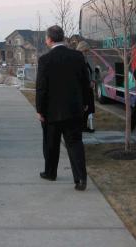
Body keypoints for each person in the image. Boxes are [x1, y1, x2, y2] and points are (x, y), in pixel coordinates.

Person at [36, 25, 89, 191]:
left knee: (51, 143)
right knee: (75, 143)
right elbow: (85, 83)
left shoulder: (45, 60)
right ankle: (80, 179)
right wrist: (86, 102)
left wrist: (40, 110)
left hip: (51, 111)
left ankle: (50, 172)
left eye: (46, 38)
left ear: (50, 40)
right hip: (74, 110)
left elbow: (41, 88)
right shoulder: (77, 56)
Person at [76, 41, 95, 133]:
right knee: (85, 107)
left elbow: (89, 72)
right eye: (86, 51)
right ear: (82, 49)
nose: (87, 53)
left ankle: (84, 126)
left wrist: (92, 80)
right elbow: (81, 76)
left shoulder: (85, 60)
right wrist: (88, 83)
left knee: (89, 108)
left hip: (88, 88)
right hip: (83, 89)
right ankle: (81, 126)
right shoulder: (79, 60)